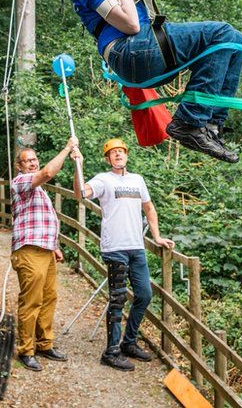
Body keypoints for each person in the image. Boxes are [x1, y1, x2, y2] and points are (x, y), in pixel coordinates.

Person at [71, 0, 242, 164]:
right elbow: (130, 25)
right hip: (129, 51)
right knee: (221, 34)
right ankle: (191, 121)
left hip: (144, 59)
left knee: (234, 41)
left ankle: (210, 126)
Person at [71, 138, 174, 371]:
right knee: (117, 299)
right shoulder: (103, 180)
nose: (118, 155)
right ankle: (111, 352)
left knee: (145, 295)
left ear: (127, 155)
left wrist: (156, 237)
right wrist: (78, 167)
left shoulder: (138, 180)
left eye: (121, 151)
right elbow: (81, 194)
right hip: (115, 248)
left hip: (137, 247)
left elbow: (149, 208)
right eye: (113, 153)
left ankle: (129, 343)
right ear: (108, 158)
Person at [10, 139, 78, 371]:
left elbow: (44, 220)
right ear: (19, 166)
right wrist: (67, 148)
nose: (31, 163)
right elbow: (48, 172)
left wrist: (55, 245)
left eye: (34, 160)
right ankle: (26, 350)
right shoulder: (21, 182)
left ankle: (44, 344)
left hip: (46, 250)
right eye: (26, 161)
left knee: (49, 298)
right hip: (29, 250)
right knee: (32, 301)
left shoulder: (40, 192)